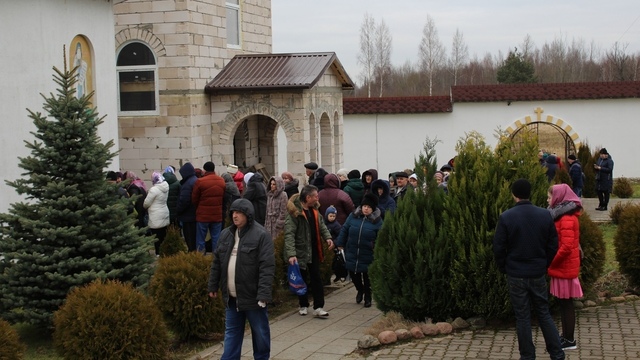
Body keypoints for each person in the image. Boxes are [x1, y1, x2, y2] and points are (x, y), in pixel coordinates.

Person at [493, 179, 564, 360]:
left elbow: (499, 247)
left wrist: (505, 267)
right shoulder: (544, 215)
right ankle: (557, 353)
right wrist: (544, 263)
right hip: (537, 271)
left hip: (516, 273)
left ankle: (527, 356)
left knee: (523, 317)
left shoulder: (507, 217)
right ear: (530, 193)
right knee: (543, 312)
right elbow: (552, 244)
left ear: (514, 195)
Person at [208, 199, 275, 360]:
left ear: (248, 215)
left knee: (260, 333)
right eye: (233, 212)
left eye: (238, 213)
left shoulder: (261, 235)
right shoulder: (226, 234)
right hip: (232, 299)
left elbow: (267, 266)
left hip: (253, 298)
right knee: (231, 333)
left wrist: (264, 294)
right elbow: (217, 262)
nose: (235, 216)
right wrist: (212, 286)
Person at [284, 185, 334, 318]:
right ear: (308, 198)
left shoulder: (315, 210)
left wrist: (328, 237)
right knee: (302, 278)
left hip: (314, 250)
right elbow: (289, 234)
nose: (318, 198)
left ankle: (318, 307)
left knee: (316, 278)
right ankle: (303, 304)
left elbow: (321, 225)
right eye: (315, 196)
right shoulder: (295, 212)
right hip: (300, 252)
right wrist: (291, 254)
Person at [547, 183, 583, 351]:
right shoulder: (561, 215)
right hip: (563, 266)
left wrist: (552, 261)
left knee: (566, 303)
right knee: (563, 303)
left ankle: (569, 339)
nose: (548, 200)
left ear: (559, 198)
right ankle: (567, 337)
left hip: (564, 266)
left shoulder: (567, 218)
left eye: (550, 197)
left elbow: (566, 246)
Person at [336, 193, 383, 308]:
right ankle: (359, 290)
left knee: (367, 276)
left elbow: (381, 237)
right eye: (364, 206)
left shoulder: (377, 221)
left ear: (373, 208)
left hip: (368, 252)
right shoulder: (353, 216)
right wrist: (340, 244)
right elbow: (345, 229)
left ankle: (368, 295)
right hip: (352, 250)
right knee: (353, 273)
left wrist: (377, 249)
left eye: (369, 207)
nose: (366, 209)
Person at [192, 161, 226, 253]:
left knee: (200, 238)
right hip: (217, 214)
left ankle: (200, 257)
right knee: (216, 237)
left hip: (203, 215)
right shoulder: (221, 181)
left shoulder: (200, 181)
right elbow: (223, 197)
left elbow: (194, 199)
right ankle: (216, 258)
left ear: (204, 169)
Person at [143, 172, 170, 256]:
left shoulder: (153, 190)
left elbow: (146, 203)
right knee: (163, 234)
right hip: (164, 211)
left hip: (155, 214)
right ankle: (165, 251)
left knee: (156, 235)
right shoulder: (166, 186)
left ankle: (158, 253)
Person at [177, 162, 198, 251]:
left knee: (189, 237)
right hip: (194, 214)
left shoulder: (188, 184)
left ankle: (192, 253)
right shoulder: (195, 180)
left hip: (188, 215)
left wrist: (178, 210)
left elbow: (184, 200)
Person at [324, 206, 347, 283]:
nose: (332, 218)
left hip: (334, 247)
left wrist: (335, 243)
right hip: (325, 246)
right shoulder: (324, 224)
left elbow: (340, 235)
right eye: (330, 216)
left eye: (334, 216)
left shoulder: (336, 225)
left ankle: (339, 275)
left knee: (335, 263)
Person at [265, 176, 288, 241]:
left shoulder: (283, 195)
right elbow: (267, 210)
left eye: (274, 184)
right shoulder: (269, 195)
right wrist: (266, 223)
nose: (272, 186)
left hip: (277, 224)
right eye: (271, 184)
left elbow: (284, 210)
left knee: (277, 242)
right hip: (269, 223)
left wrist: (280, 222)